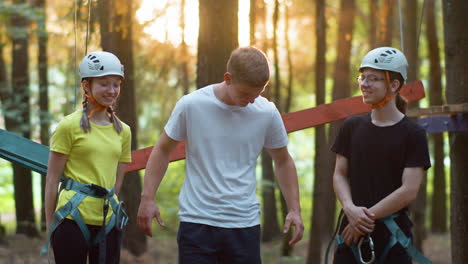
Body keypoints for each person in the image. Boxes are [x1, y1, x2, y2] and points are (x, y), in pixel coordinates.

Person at [137, 46, 304, 263]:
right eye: (245, 94)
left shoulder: (267, 112)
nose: (252, 100)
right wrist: (147, 198)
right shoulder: (192, 105)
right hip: (197, 223)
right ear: (228, 78)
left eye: (258, 93)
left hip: (244, 225)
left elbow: (282, 161)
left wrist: (294, 209)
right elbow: (162, 149)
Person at [331, 47, 431, 264]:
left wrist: (362, 220)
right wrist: (349, 209)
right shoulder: (351, 126)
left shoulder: (413, 134)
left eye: (373, 79)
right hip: (349, 232)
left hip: (392, 237)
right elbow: (339, 174)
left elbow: (409, 190)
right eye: (362, 77)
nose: (364, 84)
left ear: (394, 85)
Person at [42, 51, 131, 264]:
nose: (111, 90)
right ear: (86, 85)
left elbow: (116, 181)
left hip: (107, 219)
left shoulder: (124, 131)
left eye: (115, 84)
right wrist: (50, 226)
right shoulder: (69, 126)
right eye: (104, 84)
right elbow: (52, 179)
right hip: (71, 218)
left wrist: (107, 206)